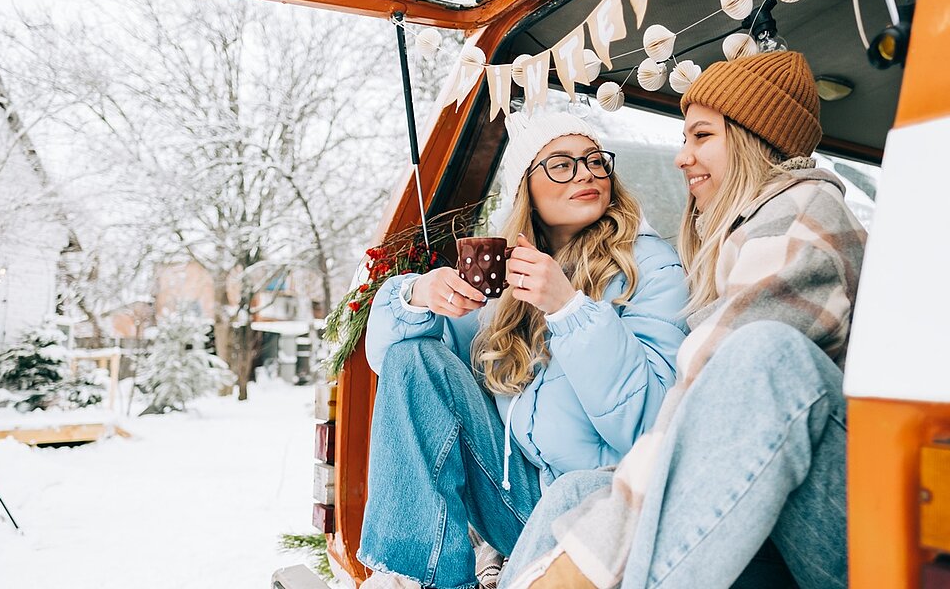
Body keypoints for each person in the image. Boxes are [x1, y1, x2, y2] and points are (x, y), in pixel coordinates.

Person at [502, 51, 868, 589]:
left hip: (858, 520)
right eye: (683, 139)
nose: (682, 158)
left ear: (749, 138)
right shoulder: (739, 239)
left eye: (701, 136)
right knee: (577, 492)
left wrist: (572, 312)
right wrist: (414, 296)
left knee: (762, 353)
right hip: (774, 488)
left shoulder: (801, 217)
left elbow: (695, 399)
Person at [359, 111, 690, 589]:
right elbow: (395, 366)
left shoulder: (650, 267)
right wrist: (418, 297)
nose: (585, 174)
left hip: (596, 516)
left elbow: (651, 424)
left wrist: (569, 310)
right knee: (415, 358)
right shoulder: (504, 274)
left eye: (595, 162)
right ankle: (422, 579)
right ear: (524, 187)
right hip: (516, 503)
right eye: (561, 164)